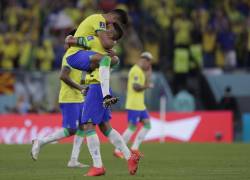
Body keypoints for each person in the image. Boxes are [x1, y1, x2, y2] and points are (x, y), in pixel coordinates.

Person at [31, 53, 88, 168]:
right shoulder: (70, 56)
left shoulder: (80, 56)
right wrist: (80, 88)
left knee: (83, 126)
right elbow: (63, 76)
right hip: (69, 97)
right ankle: (41, 141)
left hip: (79, 97)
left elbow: (76, 77)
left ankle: (73, 160)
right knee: (71, 130)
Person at [65, 9, 128, 107]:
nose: (111, 26)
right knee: (105, 59)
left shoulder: (98, 38)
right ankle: (106, 96)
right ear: (114, 19)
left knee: (113, 60)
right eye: (114, 24)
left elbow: (114, 58)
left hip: (91, 71)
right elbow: (70, 40)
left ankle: (104, 93)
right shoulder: (99, 21)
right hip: (75, 55)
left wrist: (113, 49)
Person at [114, 52, 153, 158]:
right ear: (144, 61)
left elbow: (144, 84)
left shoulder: (140, 71)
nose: (149, 65)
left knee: (147, 125)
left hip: (140, 104)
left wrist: (148, 75)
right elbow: (136, 87)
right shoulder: (136, 71)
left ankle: (134, 148)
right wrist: (147, 86)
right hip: (134, 104)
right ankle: (118, 149)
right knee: (132, 127)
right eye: (148, 62)